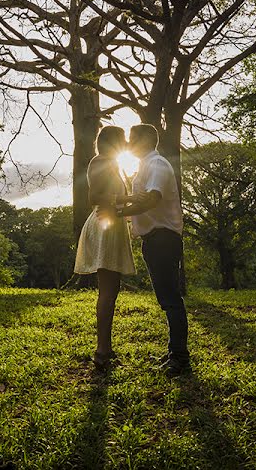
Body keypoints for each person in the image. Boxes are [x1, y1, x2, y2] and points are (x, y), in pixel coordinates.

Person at [117, 124, 191, 376]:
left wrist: (118, 212)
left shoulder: (157, 164)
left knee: (170, 299)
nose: (127, 143)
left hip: (163, 239)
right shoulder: (146, 167)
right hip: (154, 239)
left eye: (132, 138)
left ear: (147, 139)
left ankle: (180, 358)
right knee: (166, 298)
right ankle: (175, 350)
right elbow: (143, 197)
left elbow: (152, 199)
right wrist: (122, 202)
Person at [74, 126, 136, 370]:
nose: (126, 143)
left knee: (112, 291)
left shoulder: (110, 163)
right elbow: (94, 197)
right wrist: (131, 200)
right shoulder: (100, 162)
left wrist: (129, 200)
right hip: (105, 225)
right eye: (123, 140)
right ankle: (102, 351)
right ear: (112, 142)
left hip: (111, 224)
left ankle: (106, 348)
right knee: (108, 292)